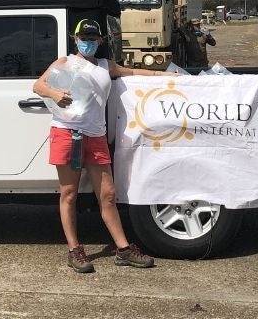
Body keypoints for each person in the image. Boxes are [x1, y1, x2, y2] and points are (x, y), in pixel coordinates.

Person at [32, 19, 173, 273]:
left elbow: (134, 72)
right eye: (84, 38)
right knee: (69, 194)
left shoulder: (105, 66)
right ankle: (75, 251)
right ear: (75, 39)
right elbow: (38, 85)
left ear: (99, 41)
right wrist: (54, 94)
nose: (88, 42)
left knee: (107, 194)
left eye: (93, 39)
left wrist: (167, 77)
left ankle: (123, 249)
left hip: (95, 136)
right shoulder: (64, 62)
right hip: (67, 132)